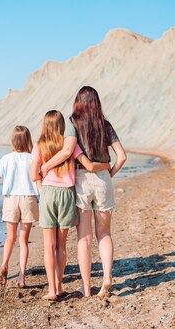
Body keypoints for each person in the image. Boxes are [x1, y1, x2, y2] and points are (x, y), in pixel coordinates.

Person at [39, 87, 126, 298]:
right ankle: (106, 279)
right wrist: (108, 176)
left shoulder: (72, 123)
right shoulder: (105, 125)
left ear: (78, 102)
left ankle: (86, 289)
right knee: (104, 233)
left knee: (84, 239)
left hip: (81, 181)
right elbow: (121, 157)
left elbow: (68, 151)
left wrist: (46, 166)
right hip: (103, 179)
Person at [30, 110, 110, 301]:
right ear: (62, 127)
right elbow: (89, 165)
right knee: (61, 245)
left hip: (48, 193)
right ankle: (59, 285)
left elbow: (34, 175)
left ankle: (52, 290)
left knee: (48, 246)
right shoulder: (69, 146)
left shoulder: (39, 146)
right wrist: (106, 165)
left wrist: (44, 179)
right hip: (66, 194)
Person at [0, 126, 37, 289]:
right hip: (28, 199)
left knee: (10, 237)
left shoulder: (6, 159)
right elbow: (39, 180)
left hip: (10, 199)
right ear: (28, 140)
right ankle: (22, 276)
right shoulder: (33, 158)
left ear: (13, 141)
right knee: (24, 240)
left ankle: (4, 264)